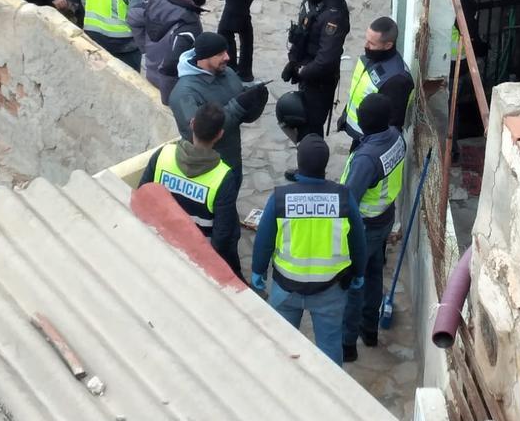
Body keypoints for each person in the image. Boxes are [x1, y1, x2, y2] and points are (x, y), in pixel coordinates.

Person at [251, 134, 365, 367]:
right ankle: (330, 394)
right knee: (330, 346)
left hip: (286, 289)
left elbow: (264, 240)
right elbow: (357, 240)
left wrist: (257, 272)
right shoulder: (343, 198)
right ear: (324, 165)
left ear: (299, 163)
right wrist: (359, 272)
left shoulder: (280, 199)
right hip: (330, 290)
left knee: (281, 345)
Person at [139, 102, 243, 279]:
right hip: (197, 257)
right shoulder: (223, 176)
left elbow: (141, 197)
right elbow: (222, 235)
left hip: (161, 242)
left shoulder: (163, 155)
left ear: (192, 123)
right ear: (219, 135)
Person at [339, 94, 406, 363]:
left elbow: (350, 199)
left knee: (355, 283)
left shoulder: (367, 158)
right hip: (384, 216)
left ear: (364, 124)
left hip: (364, 226)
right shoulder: (395, 137)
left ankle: (348, 343)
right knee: (374, 273)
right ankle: (369, 330)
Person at [169, 32, 269, 174]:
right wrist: (238, 105)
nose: (227, 57)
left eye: (226, 52)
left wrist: (257, 102)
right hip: (205, 167)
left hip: (232, 160)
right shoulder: (184, 94)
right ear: (204, 58)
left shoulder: (227, 73)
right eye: (220, 54)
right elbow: (198, 133)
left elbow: (243, 117)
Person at [281, 0, 350, 155]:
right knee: (303, 121)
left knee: (311, 127)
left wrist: (303, 72)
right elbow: (301, 32)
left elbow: (326, 58)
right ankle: (307, 164)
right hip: (307, 72)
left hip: (320, 80)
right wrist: (293, 62)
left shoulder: (333, 14)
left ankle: (312, 170)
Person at [129, 0, 208, 103]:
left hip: (150, 75)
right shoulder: (189, 24)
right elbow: (171, 67)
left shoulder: (156, 1)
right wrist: (168, 101)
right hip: (171, 88)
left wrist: (145, 48)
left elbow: (133, 17)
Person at [338, 17, 413, 151]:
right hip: (360, 134)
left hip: (369, 144)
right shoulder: (373, 55)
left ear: (388, 45)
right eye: (367, 40)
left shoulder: (397, 80)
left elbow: (391, 125)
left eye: (372, 43)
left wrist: (369, 150)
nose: (366, 46)